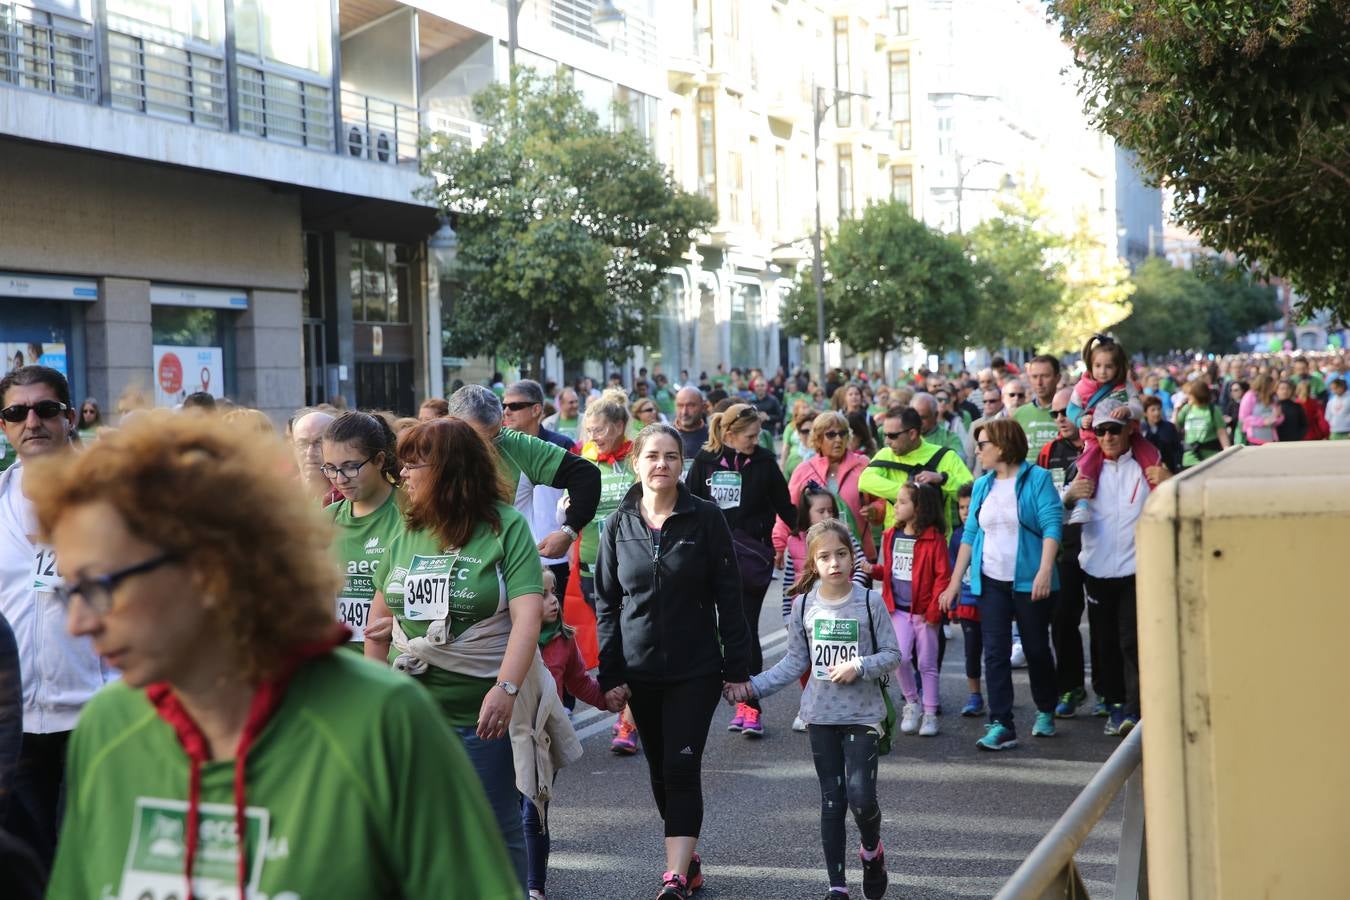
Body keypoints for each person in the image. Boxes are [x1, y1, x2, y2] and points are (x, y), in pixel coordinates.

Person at [32, 412, 521, 899]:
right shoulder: (107, 728)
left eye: (101, 586)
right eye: (70, 590)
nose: (79, 623)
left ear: (207, 568)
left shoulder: (384, 721)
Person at [363, 417, 553, 890]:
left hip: (480, 713)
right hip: (412, 713)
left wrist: (505, 690)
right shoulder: (407, 529)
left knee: (493, 829)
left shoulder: (505, 526)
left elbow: (527, 617)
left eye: (413, 464)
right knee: (416, 832)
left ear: (450, 469)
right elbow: (377, 627)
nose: (402, 475)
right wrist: (373, 701)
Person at [595, 424, 751, 900]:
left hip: (696, 670)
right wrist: (610, 673)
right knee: (660, 772)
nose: (661, 464)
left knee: (682, 768)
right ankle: (688, 858)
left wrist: (737, 669)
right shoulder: (618, 524)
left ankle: (674, 878)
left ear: (681, 465)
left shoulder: (705, 518)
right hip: (639, 671)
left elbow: (730, 595)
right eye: (652, 456)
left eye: (670, 456)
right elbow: (606, 602)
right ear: (636, 463)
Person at [735, 520, 899, 900]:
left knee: (860, 798)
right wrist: (751, 687)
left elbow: (893, 655)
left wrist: (859, 665)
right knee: (832, 799)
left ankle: (872, 852)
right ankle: (837, 886)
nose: (835, 563)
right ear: (813, 563)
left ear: (852, 557)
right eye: (825, 557)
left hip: (862, 714)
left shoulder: (869, 601)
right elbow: (794, 662)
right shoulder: (804, 604)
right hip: (820, 716)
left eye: (841, 554)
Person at [0, 366, 114, 869]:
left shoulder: (115, 495)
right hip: (16, 722)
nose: (32, 422)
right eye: (15, 413)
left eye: (45, 409)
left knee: (88, 862)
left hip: (100, 712)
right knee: (27, 863)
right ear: (3, 426)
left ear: (69, 417)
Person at [939, 419, 1063, 752]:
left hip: (1029, 581)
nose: (977, 451)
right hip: (990, 580)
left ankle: (1045, 709)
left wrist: (1044, 570)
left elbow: (1053, 525)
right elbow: (970, 535)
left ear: (1003, 446)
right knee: (994, 654)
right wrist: (953, 585)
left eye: (983, 445)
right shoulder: (982, 485)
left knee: (1036, 649)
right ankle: (1002, 723)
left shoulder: (1037, 479)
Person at [1063, 398, 1172, 736]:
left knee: (1131, 640)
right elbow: (1055, 511)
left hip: (1135, 568)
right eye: (1101, 431)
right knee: (1103, 641)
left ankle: (1134, 709)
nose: (1108, 437)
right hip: (1095, 569)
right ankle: (1111, 702)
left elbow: (1174, 501)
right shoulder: (1083, 468)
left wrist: (1169, 480)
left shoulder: (1147, 464)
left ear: (1128, 431)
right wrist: (1068, 497)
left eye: (1114, 430)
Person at [686, 404, 795, 739]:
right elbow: (687, 507)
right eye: (749, 436)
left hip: (750, 560)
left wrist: (815, 537)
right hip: (708, 558)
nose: (754, 441)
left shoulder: (763, 462)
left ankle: (750, 706)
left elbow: (786, 508)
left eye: (757, 435)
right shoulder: (705, 462)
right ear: (729, 434)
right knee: (708, 629)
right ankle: (706, 696)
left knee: (744, 629)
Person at [448, 384, 600, 572]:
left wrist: (569, 531)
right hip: (454, 568)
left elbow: (587, 475)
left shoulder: (517, 444)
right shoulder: (434, 447)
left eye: (495, 436)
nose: (487, 448)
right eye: (476, 439)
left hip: (512, 568)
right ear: (452, 423)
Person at [527, 567, 611, 900]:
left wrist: (609, 699)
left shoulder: (563, 639)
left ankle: (534, 886)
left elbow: (579, 683)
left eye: (555, 594)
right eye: (543, 594)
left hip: (546, 736)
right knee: (510, 810)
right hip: (511, 733)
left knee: (535, 808)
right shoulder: (506, 637)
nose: (553, 602)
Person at [573, 393, 643, 755]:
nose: (593, 436)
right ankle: (627, 706)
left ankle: (628, 721)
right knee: (610, 644)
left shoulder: (636, 459)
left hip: (632, 568)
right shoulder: (584, 460)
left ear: (618, 427)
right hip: (591, 568)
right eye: (588, 430)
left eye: (598, 430)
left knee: (630, 644)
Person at [1035, 388, 1102, 719]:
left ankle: (1107, 691)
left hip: (1103, 545)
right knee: (1062, 619)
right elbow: (1042, 501)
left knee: (1104, 623)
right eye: (1054, 414)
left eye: (1065, 412)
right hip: (1065, 548)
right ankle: (1070, 686)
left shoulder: (1103, 442)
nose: (1060, 418)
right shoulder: (1049, 452)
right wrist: (1068, 495)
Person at [872, 482, 951, 738]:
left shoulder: (934, 538)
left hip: (925, 614)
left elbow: (942, 576)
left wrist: (933, 612)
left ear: (919, 508)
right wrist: (873, 570)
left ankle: (930, 713)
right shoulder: (891, 536)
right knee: (900, 657)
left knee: (927, 664)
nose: (896, 506)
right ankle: (912, 703)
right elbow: (892, 573)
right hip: (899, 611)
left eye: (903, 502)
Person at [322, 412, 404, 650]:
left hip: (395, 664)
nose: (340, 479)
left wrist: (402, 624)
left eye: (350, 467)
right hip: (339, 663)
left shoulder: (412, 513)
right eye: (330, 468)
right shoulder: (327, 518)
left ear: (379, 460)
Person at [1065, 335, 1161, 524]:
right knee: (1087, 465)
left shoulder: (1125, 387)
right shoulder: (1082, 387)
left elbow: (1138, 408)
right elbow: (1071, 409)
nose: (1102, 371)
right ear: (1090, 365)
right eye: (1098, 366)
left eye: (1109, 366)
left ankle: (1156, 495)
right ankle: (1083, 504)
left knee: (1149, 456)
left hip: (1128, 435)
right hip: (1093, 436)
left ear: (1118, 367)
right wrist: (1080, 420)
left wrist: (1128, 410)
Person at [503, 380, 578, 608]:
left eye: (515, 406)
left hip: (558, 554)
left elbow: (577, 497)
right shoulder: (500, 448)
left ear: (536, 410)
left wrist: (571, 536)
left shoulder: (562, 445)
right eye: (503, 405)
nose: (506, 411)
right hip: (515, 554)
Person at [776, 411, 877, 566]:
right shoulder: (804, 469)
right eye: (831, 434)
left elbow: (880, 503)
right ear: (818, 439)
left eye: (842, 433)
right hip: (818, 557)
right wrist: (779, 546)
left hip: (858, 556)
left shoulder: (863, 465)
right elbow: (787, 509)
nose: (838, 439)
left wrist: (875, 510)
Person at [858, 405, 972, 536]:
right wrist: (911, 493)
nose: (887, 441)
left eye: (892, 436)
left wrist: (943, 479)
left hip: (936, 543)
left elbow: (970, 494)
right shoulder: (885, 454)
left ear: (912, 434)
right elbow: (864, 481)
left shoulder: (945, 456)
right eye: (884, 435)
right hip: (895, 541)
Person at [948, 483, 985, 717]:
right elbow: (954, 571)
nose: (965, 511)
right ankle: (975, 696)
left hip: (991, 600)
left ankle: (1002, 693)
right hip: (968, 604)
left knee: (994, 653)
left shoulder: (988, 533)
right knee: (972, 651)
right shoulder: (956, 537)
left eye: (970, 507)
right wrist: (954, 604)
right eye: (961, 507)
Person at [1014, 355, 1062, 461]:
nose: (1039, 383)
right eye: (1034, 377)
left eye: (1045, 376)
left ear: (1057, 378)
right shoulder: (1018, 414)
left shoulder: (1070, 412)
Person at [289, 407, 340, 505]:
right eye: (302, 444)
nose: (310, 453)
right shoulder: (281, 494)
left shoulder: (351, 498)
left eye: (319, 443)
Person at [1139, 395, 1184, 473]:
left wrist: (1177, 465)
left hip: (1171, 469)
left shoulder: (1169, 427)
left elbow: (1178, 449)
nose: (1157, 413)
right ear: (1145, 413)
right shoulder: (1141, 430)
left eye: (1159, 409)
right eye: (1153, 410)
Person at [1239, 374, 1282, 445]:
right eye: (1271, 386)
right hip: (1255, 438)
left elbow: (1278, 417)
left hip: (1271, 438)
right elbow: (1244, 418)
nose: (1274, 388)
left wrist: (1278, 417)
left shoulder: (1273, 397)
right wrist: (1263, 422)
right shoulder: (1250, 396)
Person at [672, 386, 710, 468]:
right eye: (680, 405)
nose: (684, 412)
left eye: (691, 405)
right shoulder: (664, 436)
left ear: (703, 407)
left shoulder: (713, 437)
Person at [1273, 379, 1308, 443]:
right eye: (1282, 389)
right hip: (1276, 443)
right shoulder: (1272, 406)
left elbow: (1304, 424)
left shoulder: (1297, 406)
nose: (1285, 391)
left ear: (1291, 391)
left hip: (1294, 442)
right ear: (1276, 390)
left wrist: (1299, 436)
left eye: (1287, 389)